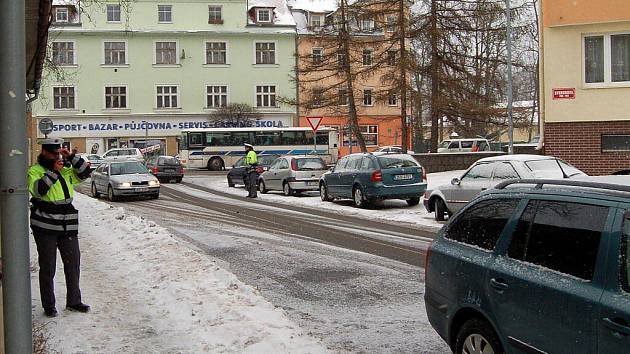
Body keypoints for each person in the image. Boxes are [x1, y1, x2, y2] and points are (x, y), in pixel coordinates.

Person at [27, 138, 92, 317]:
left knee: (73, 264)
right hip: (45, 224)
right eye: (54, 154)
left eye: (59, 153)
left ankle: (74, 301)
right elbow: (39, 190)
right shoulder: (35, 171)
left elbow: (85, 173)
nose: (57, 157)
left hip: (67, 223)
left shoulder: (65, 169)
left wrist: (72, 157)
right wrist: (53, 172)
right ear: (44, 153)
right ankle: (49, 305)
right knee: (48, 267)